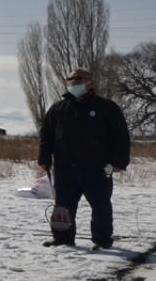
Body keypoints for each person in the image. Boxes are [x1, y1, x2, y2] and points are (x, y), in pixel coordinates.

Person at [38, 67, 131, 249]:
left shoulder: (106, 108)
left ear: (90, 83)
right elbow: (46, 135)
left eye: (78, 82)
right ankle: (62, 239)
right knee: (63, 206)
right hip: (65, 168)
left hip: (97, 168)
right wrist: (44, 159)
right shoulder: (58, 109)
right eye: (71, 82)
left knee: (101, 205)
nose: (73, 85)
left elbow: (121, 137)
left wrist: (118, 163)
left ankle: (102, 240)